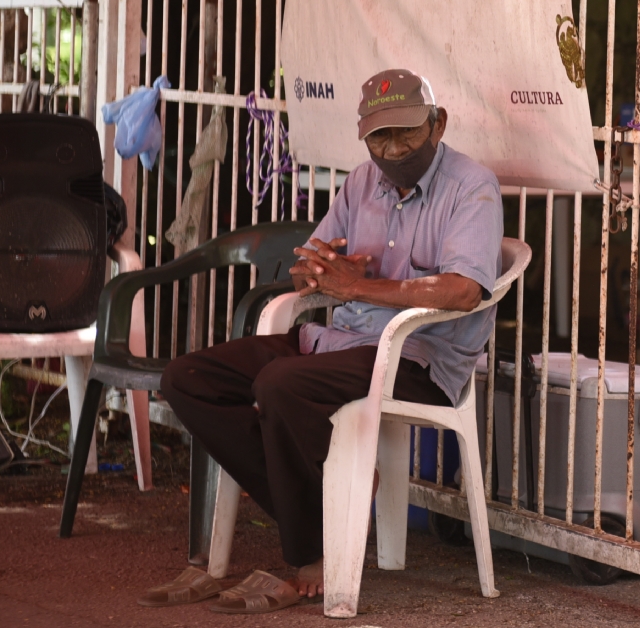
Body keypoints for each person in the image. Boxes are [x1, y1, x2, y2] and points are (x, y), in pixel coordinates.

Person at [145, 69, 503, 614]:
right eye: (380, 137)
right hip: (336, 341)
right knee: (187, 379)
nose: (393, 148)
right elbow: (303, 271)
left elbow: (462, 289)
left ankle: (311, 549)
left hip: (416, 359)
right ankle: (331, 506)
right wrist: (321, 269)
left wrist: (361, 285)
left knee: (280, 386)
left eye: (407, 133)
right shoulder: (361, 182)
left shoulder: (472, 186)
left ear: (438, 124)